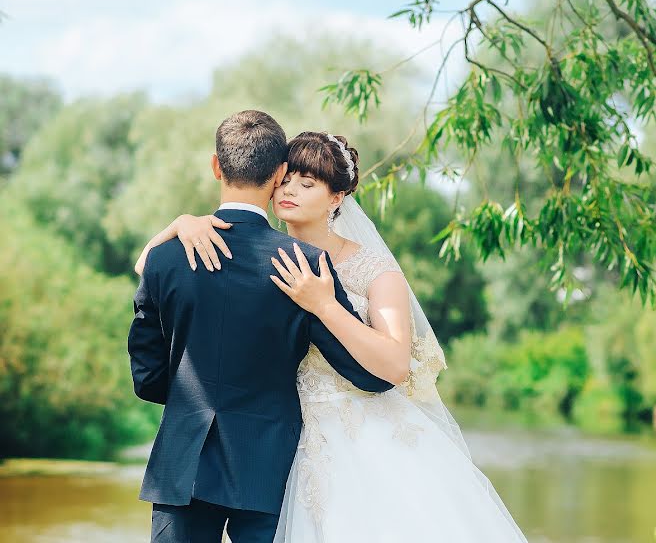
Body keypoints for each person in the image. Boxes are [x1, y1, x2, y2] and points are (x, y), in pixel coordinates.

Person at [148, 130, 528, 542]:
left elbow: (395, 365)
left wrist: (324, 305)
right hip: (285, 439)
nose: (290, 190)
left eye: (307, 184)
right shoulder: (265, 257)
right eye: (287, 179)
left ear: (336, 198)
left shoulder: (374, 269)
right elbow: (153, 275)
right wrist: (181, 223)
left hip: (356, 435)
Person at [128, 111, 394, 543]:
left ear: (216, 165)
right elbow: (367, 375)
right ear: (281, 173)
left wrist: (187, 400)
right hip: (268, 464)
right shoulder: (304, 266)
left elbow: (148, 378)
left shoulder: (165, 256)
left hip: (183, 464)